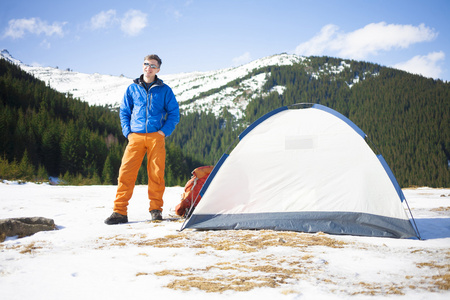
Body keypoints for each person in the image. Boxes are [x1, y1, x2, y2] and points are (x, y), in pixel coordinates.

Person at [105, 54, 180, 225]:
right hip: (135, 137)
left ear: (158, 69)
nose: (149, 67)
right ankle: (119, 212)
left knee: (156, 174)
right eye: (146, 64)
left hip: (156, 137)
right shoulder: (132, 89)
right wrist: (128, 133)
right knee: (126, 173)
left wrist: (163, 132)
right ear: (142, 66)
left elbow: (174, 114)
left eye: (153, 65)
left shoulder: (165, 90)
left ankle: (156, 210)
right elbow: (124, 112)